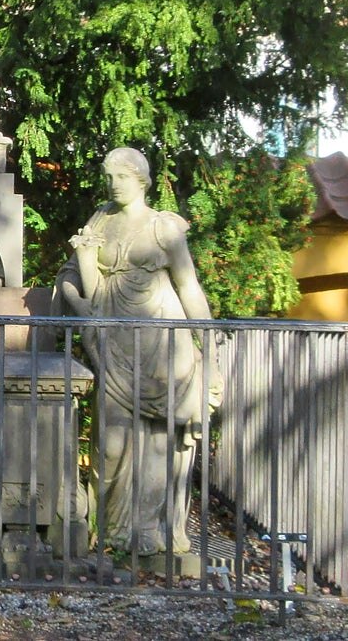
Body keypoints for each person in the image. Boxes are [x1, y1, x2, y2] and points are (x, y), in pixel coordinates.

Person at [55, 147, 212, 557]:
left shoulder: (164, 228)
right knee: (109, 445)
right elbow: (70, 277)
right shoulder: (100, 220)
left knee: (160, 446)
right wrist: (81, 306)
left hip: (162, 345)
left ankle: (152, 536)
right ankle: (112, 533)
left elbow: (188, 286)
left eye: (119, 177)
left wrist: (209, 339)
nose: (112, 184)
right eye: (107, 176)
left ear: (140, 178)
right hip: (112, 345)